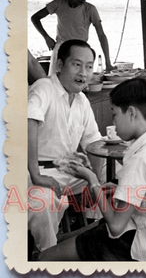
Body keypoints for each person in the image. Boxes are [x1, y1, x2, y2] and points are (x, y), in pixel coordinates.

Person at [38, 78, 146, 261]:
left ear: (132, 113)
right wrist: (117, 190)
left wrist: (92, 180)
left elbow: (116, 227)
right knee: (62, 239)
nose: (113, 123)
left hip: (138, 249)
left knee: (45, 258)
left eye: (114, 114)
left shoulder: (141, 159)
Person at [27, 40, 104, 253]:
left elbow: (94, 143)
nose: (84, 72)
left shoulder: (81, 100)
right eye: (76, 64)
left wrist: (94, 180)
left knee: (114, 185)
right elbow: (29, 119)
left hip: (67, 170)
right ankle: (48, 255)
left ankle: (90, 239)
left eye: (89, 67)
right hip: (36, 170)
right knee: (41, 202)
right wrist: (36, 175)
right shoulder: (44, 87)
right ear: (60, 65)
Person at [31, 0, 115, 75]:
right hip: (60, 50)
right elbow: (35, 18)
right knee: (56, 85)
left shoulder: (90, 9)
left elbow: (101, 35)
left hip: (81, 50)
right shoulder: (58, 4)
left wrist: (108, 63)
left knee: (79, 83)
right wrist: (47, 38)